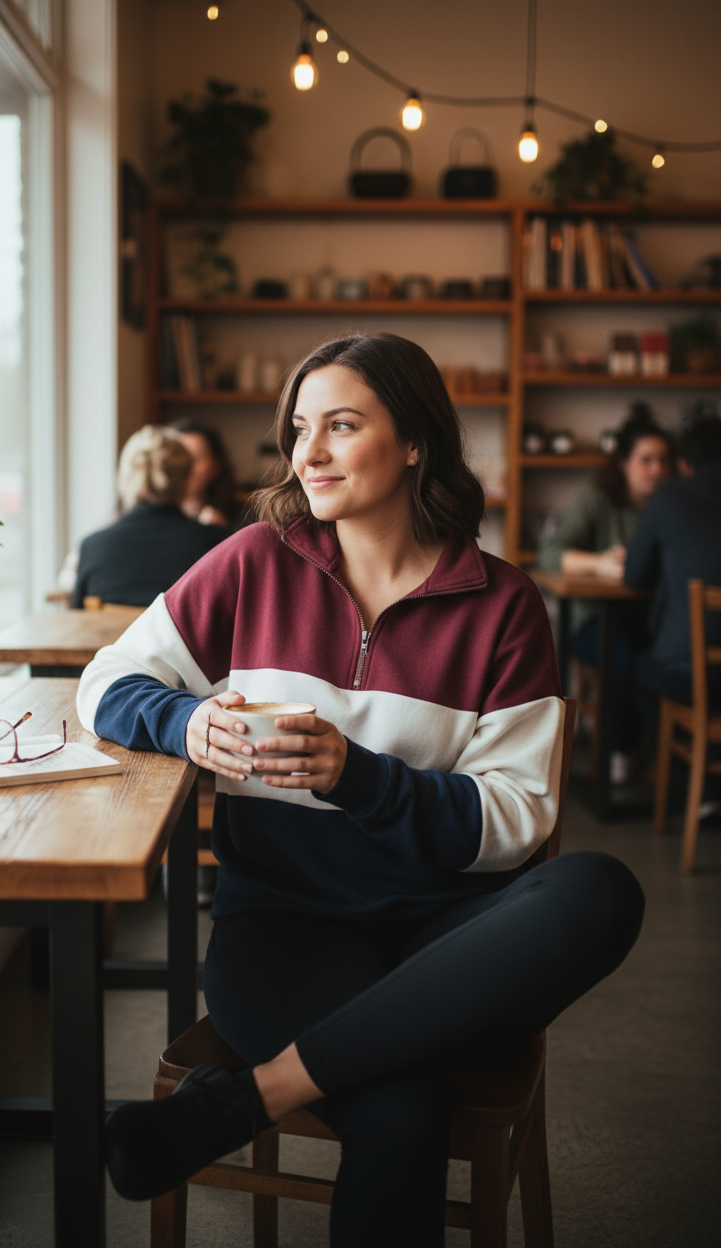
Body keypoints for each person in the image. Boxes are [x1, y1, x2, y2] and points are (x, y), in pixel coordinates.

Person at [77, 333, 644, 1246]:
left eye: (341, 425)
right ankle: (277, 1086)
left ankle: (244, 1099)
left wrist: (361, 779)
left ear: (414, 440)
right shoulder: (254, 563)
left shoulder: (503, 606)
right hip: (284, 928)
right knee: (400, 1112)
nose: (310, 452)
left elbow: (515, 818)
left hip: (449, 934)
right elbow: (106, 682)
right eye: (300, 428)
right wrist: (186, 723)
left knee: (600, 889)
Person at [538, 406, 673, 778]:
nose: (657, 469)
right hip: (593, 619)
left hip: (651, 618)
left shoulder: (673, 504)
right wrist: (599, 563)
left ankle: (663, 760)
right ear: (624, 463)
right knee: (623, 655)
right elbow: (550, 554)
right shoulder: (597, 499)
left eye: (664, 460)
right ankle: (620, 751)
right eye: (646, 460)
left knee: (664, 656)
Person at [624, 416, 721, 724]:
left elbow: (634, 577)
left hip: (688, 672)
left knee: (639, 667)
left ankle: (665, 757)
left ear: (684, 465)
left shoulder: (668, 498)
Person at [70, 425, 228, 609]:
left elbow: (77, 616)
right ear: (187, 479)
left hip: (112, 630)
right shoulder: (214, 544)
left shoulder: (92, 547)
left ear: (125, 478)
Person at [168, 418, 242, 528]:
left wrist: (220, 532)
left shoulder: (242, 518)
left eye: (197, 457)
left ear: (216, 466)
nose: (187, 465)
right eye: (179, 457)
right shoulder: (151, 518)